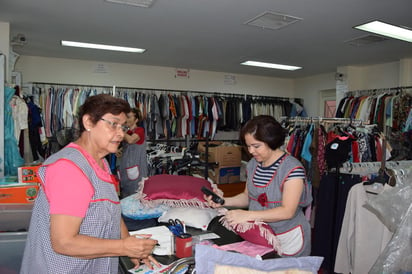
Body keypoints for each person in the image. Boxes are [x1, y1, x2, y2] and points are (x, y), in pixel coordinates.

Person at [20, 94, 159, 273]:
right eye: (113, 124)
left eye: (123, 127)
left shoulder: (101, 162)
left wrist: (129, 245)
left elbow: (112, 211)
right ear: (88, 122)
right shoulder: (69, 168)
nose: (121, 133)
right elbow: (64, 242)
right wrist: (123, 247)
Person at [205, 115, 312, 257]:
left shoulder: (292, 169)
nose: (250, 151)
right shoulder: (253, 165)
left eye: (256, 146)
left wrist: (247, 215)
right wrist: (223, 201)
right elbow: (247, 197)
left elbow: (287, 211)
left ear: (271, 141)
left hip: (287, 237)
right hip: (259, 235)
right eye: (248, 146)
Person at [118, 108, 148, 199]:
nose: (126, 119)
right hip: (126, 171)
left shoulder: (140, 131)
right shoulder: (127, 132)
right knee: (125, 197)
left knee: (136, 197)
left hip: (136, 172)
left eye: (129, 117)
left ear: (136, 120)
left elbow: (131, 140)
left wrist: (120, 130)